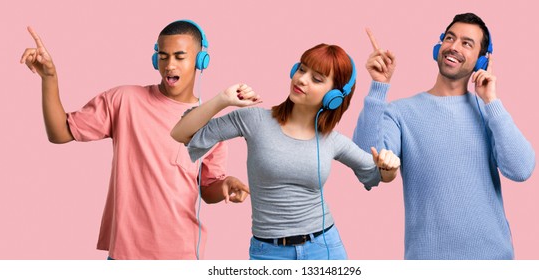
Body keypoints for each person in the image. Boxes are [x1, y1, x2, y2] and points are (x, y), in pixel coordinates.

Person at [20, 20, 249, 260]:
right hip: (125, 256)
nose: (169, 65)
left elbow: (208, 189)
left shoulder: (210, 122)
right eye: (163, 56)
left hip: (182, 256)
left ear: (201, 61)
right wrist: (49, 78)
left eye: (180, 57)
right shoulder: (124, 100)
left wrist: (225, 185)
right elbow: (59, 132)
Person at [170, 43, 401, 260]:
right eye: (301, 69)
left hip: (324, 248)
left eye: (316, 78)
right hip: (268, 252)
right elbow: (181, 133)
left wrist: (389, 167)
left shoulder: (332, 141)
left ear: (334, 97)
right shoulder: (254, 120)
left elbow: (378, 174)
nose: (301, 79)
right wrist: (222, 99)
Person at [353, 13, 536, 259]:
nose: (454, 46)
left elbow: (521, 168)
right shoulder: (400, 112)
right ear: (439, 46)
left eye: (466, 43)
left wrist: (492, 100)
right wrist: (378, 86)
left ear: (482, 60)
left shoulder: (489, 112)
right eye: (450, 38)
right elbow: (367, 167)